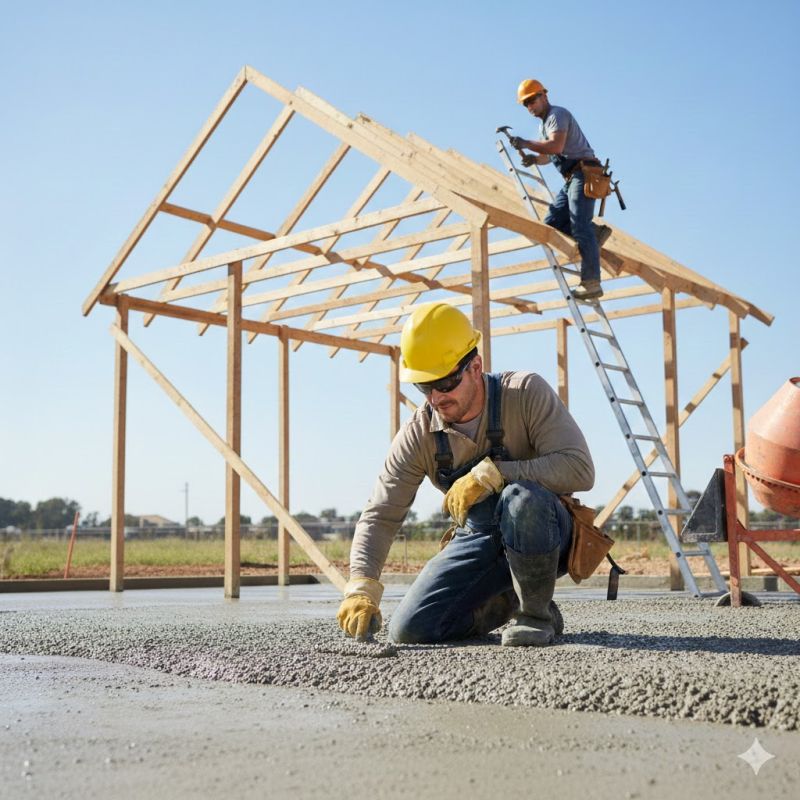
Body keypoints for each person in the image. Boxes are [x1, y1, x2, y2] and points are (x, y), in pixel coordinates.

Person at [337, 303, 595, 647]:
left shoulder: (525, 393)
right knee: (411, 630)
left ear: (476, 366)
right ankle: (510, 600)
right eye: (424, 387)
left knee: (522, 499)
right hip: (479, 539)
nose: (435, 398)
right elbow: (381, 514)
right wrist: (361, 585)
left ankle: (537, 616)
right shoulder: (419, 434)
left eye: (445, 382)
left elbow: (579, 468)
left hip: (544, 533)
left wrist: (495, 474)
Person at [509, 78, 611, 301]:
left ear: (543, 96)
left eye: (532, 101)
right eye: (525, 104)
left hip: (584, 173)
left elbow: (556, 146)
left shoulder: (557, 114)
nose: (529, 107)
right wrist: (535, 160)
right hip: (572, 177)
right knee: (552, 223)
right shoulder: (543, 125)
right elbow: (549, 155)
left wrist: (526, 143)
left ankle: (592, 282)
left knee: (579, 224)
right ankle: (595, 234)